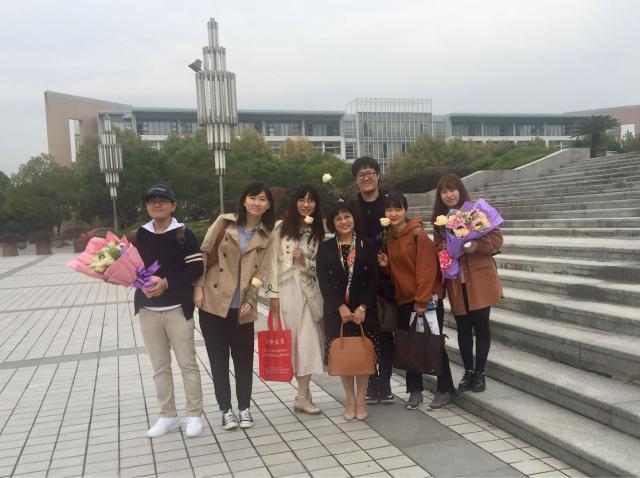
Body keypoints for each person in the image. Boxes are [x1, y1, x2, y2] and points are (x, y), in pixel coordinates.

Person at [195, 182, 277, 430]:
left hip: (242, 307)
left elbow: (260, 273)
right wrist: (198, 287)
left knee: (243, 361)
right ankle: (226, 410)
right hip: (213, 303)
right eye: (253, 197)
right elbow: (203, 254)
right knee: (218, 360)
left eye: (262, 199)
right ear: (244, 200)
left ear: (268, 205)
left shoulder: (267, 235)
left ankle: (244, 408)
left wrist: (251, 299)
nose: (257, 203)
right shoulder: (224, 223)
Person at [133, 184, 204, 438]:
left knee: (187, 364)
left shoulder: (184, 234)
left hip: (177, 309)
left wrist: (167, 283)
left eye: (162, 201)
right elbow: (129, 267)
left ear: (173, 206)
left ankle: (194, 414)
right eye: (151, 201)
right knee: (159, 367)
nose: (156, 205)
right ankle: (168, 416)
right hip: (148, 310)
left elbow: (196, 269)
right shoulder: (138, 236)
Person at [377, 193, 455, 410]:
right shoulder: (389, 237)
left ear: (406, 211)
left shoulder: (418, 234)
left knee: (433, 343)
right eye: (389, 210)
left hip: (426, 300)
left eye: (398, 209)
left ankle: (444, 389)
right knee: (409, 345)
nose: (393, 214)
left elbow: (426, 269)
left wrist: (421, 300)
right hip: (403, 300)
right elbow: (401, 270)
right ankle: (415, 391)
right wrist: (387, 266)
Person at [431, 174, 503, 393]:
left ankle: (480, 373)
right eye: (444, 191)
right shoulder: (439, 222)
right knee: (463, 328)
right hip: (456, 282)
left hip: (479, 278)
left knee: (481, 326)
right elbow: (437, 249)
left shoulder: (476, 214)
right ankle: (468, 371)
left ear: (460, 190)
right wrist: (445, 250)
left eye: (452, 189)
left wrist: (475, 245)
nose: (448, 195)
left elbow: (496, 239)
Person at [265, 185, 326, 415]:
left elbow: (319, 268)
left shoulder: (318, 233)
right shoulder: (280, 228)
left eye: (311, 200)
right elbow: (270, 262)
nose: (306, 205)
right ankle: (304, 393)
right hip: (286, 292)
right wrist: (273, 295)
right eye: (302, 200)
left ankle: (301, 396)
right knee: (292, 344)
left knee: (308, 342)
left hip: (308, 293)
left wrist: (304, 261)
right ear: (295, 202)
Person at [317, 202, 379, 421]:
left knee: (362, 356)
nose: (344, 221)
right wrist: (339, 307)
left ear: (354, 218)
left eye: (347, 216)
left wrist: (363, 306)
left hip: (363, 312)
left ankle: (361, 400)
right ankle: (349, 400)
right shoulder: (325, 247)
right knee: (344, 357)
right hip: (338, 313)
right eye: (338, 218)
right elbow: (323, 281)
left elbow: (374, 279)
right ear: (332, 223)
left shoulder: (367, 244)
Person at [349, 156, 395, 405]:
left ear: (378, 176)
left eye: (370, 173)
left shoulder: (389, 204)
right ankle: (371, 380)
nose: (366, 177)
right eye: (361, 174)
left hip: (385, 277)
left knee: (385, 331)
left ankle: (385, 382)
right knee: (365, 332)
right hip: (359, 277)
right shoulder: (351, 206)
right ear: (356, 180)